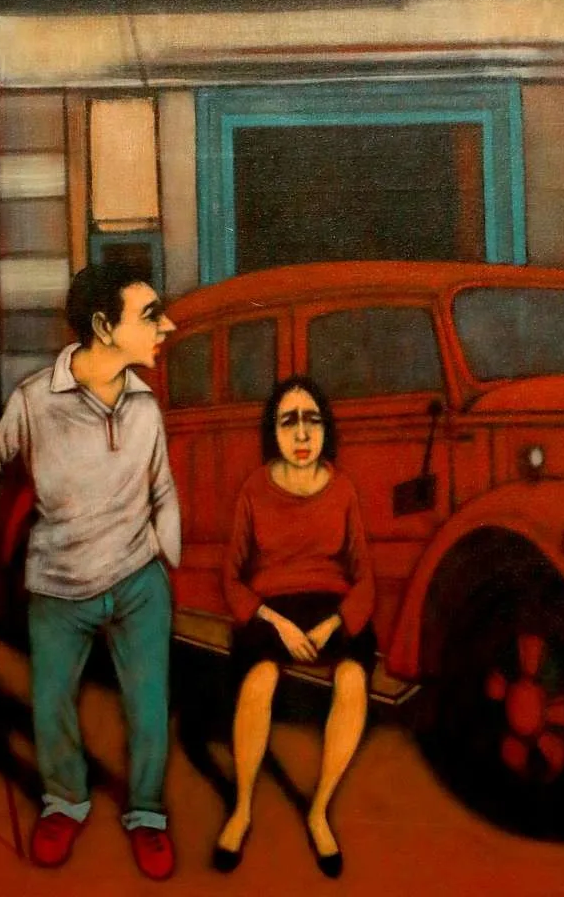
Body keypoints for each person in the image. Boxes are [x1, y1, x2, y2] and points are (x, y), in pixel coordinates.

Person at [0, 263, 180, 880]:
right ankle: (65, 803)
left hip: (138, 580)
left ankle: (147, 814)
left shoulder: (146, 407)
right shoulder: (34, 400)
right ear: (104, 326)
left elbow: (162, 488)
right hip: (57, 584)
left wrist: (167, 555)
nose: (166, 326)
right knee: (51, 705)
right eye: (151, 316)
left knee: (149, 707)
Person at [213, 374, 376, 879]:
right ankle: (242, 810)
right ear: (273, 431)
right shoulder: (254, 489)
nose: (302, 434)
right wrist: (275, 622)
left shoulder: (342, 489)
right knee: (259, 680)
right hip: (270, 609)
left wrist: (334, 624)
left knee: (353, 680)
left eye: (312, 421)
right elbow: (232, 577)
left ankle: (319, 811)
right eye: (289, 422)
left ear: (326, 429)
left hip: (330, 608)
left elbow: (364, 577)